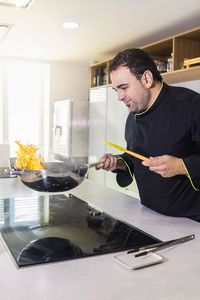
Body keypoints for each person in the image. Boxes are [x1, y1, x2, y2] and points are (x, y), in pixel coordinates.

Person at [96, 48, 200, 222]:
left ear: (147, 78)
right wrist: (119, 162)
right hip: (150, 216)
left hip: (192, 221)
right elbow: (135, 157)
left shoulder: (192, 105)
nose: (120, 97)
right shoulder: (132, 117)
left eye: (124, 88)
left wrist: (181, 166)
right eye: (116, 90)